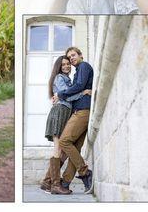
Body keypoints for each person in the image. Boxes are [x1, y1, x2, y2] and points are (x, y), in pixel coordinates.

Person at [41, 55, 90, 195]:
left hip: (64, 112)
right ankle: (55, 185)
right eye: (63, 65)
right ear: (59, 67)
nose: (67, 66)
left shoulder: (67, 78)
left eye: (68, 64)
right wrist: (83, 92)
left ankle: (47, 182)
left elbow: (65, 94)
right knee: (58, 148)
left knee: (61, 148)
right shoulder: (59, 78)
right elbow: (66, 95)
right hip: (59, 112)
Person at [56, 46, 94, 194]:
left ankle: (85, 172)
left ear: (80, 55)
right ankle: (66, 183)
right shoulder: (78, 70)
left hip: (82, 112)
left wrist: (61, 94)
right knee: (75, 149)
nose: (71, 58)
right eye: (69, 57)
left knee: (64, 141)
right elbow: (80, 87)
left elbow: (79, 86)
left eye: (73, 55)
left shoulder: (84, 66)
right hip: (82, 110)